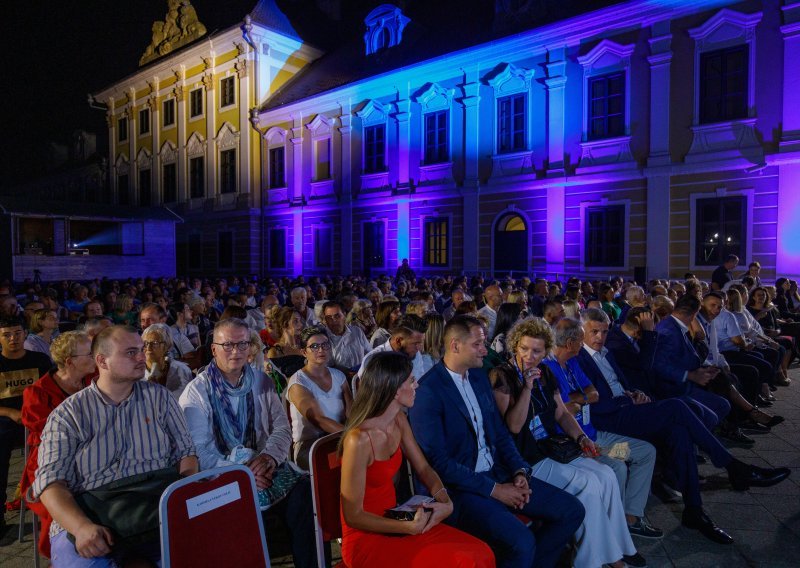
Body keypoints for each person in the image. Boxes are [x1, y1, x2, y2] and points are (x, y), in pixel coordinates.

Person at [575, 309, 791, 544]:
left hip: (629, 409)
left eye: (604, 331)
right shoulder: (579, 358)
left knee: (680, 431)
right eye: (594, 331)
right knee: (677, 407)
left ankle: (694, 511)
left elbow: (618, 385)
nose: (600, 336)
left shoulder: (605, 353)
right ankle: (732, 466)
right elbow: (595, 406)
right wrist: (628, 398)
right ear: (581, 332)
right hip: (610, 422)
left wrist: (633, 393)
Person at [409, 315, 585, 568]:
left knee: (572, 510)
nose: (486, 350)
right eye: (478, 344)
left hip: (499, 473)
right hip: (461, 490)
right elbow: (440, 464)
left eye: (485, 343)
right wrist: (495, 491)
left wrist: (519, 470)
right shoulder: (428, 392)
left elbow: (500, 434)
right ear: (455, 345)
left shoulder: (480, 377)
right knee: (521, 541)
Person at [33, 325, 198, 565]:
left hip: (154, 510)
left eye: (141, 350)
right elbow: (51, 484)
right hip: (92, 517)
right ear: (102, 361)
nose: (142, 357)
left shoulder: (159, 398)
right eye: (131, 352)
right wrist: (80, 528)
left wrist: (186, 498)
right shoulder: (69, 414)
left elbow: (187, 453)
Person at [490, 317, 645, 568]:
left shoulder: (547, 371)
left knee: (606, 474)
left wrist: (581, 437)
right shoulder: (502, 376)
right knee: (588, 483)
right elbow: (513, 426)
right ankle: (590, 561)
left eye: (537, 351)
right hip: (525, 456)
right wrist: (527, 387)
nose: (530, 356)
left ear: (545, 350)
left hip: (552, 446)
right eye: (525, 349)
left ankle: (617, 549)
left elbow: (562, 413)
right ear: (515, 345)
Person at [179, 318, 317, 568]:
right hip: (221, 476)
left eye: (243, 344)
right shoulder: (196, 392)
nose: (236, 351)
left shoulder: (261, 381)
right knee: (244, 511)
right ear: (214, 349)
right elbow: (199, 452)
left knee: (305, 495)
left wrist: (268, 459)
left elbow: (282, 427)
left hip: (264, 468)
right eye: (228, 345)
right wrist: (241, 474)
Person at [339, 351, 494, 567]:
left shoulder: (399, 420)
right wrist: (407, 528)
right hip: (367, 538)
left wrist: (444, 500)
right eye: (411, 380)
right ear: (393, 389)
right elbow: (353, 516)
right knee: (462, 561)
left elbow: (423, 468)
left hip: (397, 519)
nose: (417, 385)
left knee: (482, 552)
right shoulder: (359, 440)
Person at [544, 318, 661, 541]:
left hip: (598, 437)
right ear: (570, 343)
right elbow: (563, 408)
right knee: (617, 467)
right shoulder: (548, 368)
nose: (584, 343)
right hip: (577, 444)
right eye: (581, 339)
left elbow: (594, 393)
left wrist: (579, 400)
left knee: (645, 452)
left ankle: (631, 518)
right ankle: (609, 531)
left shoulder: (572, 362)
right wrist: (579, 400)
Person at [20, 331, 95, 557]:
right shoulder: (36, 393)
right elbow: (53, 437)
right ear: (70, 361)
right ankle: (62, 555)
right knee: (65, 504)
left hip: (92, 456)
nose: (96, 357)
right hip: (49, 463)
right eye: (90, 353)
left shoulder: (94, 381)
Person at [0, 316, 52, 531]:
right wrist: (11, 412)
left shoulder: (39, 360)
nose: (13, 338)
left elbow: (52, 391)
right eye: (7, 335)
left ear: (24, 334)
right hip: (6, 420)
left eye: (17, 333)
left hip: (38, 419)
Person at [286, 326, 353, 470]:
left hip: (339, 437)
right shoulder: (298, 382)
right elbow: (319, 420)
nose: (321, 350)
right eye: (314, 346)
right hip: (311, 445)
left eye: (325, 345)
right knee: (352, 455)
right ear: (304, 352)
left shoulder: (339, 376)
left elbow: (351, 412)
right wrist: (352, 435)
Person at [357, 315, 427, 389]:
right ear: (399, 341)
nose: (419, 348)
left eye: (421, 343)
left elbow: (420, 382)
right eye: (415, 343)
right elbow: (368, 397)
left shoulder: (414, 353)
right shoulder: (373, 360)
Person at [142, 323, 194, 399]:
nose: (148, 347)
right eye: (146, 343)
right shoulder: (135, 373)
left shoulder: (181, 370)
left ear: (167, 346)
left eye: (155, 343)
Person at [322, 301, 371, 373]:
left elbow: (369, 353)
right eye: (329, 317)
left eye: (337, 316)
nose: (333, 320)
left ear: (344, 315)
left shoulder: (356, 331)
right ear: (325, 319)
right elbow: (326, 367)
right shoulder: (323, 338)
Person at [267, 307, 306, 377]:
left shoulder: (305, 345)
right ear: (284, 324)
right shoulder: (274, 352)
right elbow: (275, 381)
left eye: (300, 320)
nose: (301, 324)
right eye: (295, 321)